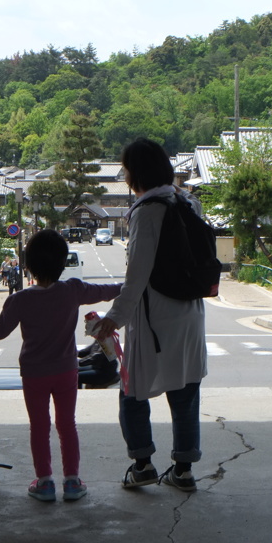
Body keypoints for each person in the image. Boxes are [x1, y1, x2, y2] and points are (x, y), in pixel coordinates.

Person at [0, 229, 122, 503]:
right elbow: (110, 291)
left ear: (28, 265)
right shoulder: (73, 290)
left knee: (39, 426)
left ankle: (45, 482)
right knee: (66, 424)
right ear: (63, 263)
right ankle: (72, 481)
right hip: (66, 370)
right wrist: (134, 284)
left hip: (34, 373)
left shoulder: (19, 300)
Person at [96, 137, 208, 493]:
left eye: (127, 169)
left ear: (136, 173)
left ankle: (142, 464)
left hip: (156, 319)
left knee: (132, 392)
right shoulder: (188, 201)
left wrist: (113, 319)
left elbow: (137, 276)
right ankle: (184, 470)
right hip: (190, 313)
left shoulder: (147, 211)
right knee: (186, 391)